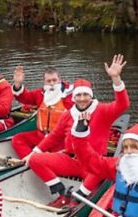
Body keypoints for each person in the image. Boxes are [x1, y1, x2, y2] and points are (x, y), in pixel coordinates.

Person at [27, 54, 130, 208]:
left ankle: (76, 200)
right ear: (74, 97)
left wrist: (116, 79)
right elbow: (54, 137)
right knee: (35, 160)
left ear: (91, 95)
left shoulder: (102, 110)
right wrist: (34, 151)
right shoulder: (68, 114)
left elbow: (123, 104)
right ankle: (62, 192)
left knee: (96, 175)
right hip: (71, 160)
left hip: (94, 164)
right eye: (79, 95)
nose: (82, 99)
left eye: (85, 95)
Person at [11, 66, 74, 159]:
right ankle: (30, 162)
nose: (52, 83)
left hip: (59, 139)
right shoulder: (40, 94)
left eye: (54, 80)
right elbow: (25, 97)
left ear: (59, 80)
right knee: (17, 139)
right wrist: (18, 85)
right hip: (40, 135)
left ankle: (36, 161)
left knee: (59, 153)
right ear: (44, 82)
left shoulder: (70, 96)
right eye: (49, 81)